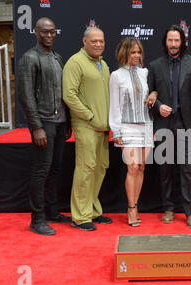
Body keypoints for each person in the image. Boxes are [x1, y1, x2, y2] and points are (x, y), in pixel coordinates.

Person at [147, 25, 191, 228]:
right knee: (165, 169)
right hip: (164, 123)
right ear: (165, 42)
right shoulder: (155, 66)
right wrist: (157, 105)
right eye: (170, 40)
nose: (173, 44)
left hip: (186, 122)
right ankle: (168, 208)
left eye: (177, 40)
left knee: (188, 169)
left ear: (182, 42)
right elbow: (150, 94)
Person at [17, 17, 72, 236]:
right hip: (44, 122)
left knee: (55, 170)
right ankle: (37, 219)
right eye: (44, 32)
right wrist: (36, 126)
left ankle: (51, 211)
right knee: (41, 171)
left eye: (52, 32)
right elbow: (25, 95)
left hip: (59, 123)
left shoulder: (57, 57)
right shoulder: (30, 58)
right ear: (36, 33)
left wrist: (67, 121)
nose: (49, 35)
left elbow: (63, 93)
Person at [63, 26, 112, 231]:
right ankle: (80, 217)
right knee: (86, 169)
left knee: (100, 168)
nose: (98, 44)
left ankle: (92, 211)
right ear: (84, 41)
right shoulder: (75, 62)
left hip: (103, 127)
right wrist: (90, 115)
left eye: (101, 41)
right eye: (94, 41)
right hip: (86, 125)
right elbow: (69, 95)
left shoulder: (103, 64)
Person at [109, 37, 155, 227]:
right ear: (124, 53)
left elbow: (155, 90)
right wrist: (116, 130)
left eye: (139, 52)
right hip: (126, 127)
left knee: (142, 167)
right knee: (132, 167)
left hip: (146, 125)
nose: (136, 55)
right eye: (133, 52)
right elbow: (114, 105)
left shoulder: (145, 73)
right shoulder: (116, 75)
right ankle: (131, 207)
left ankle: (136, 204)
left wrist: (154, 94)